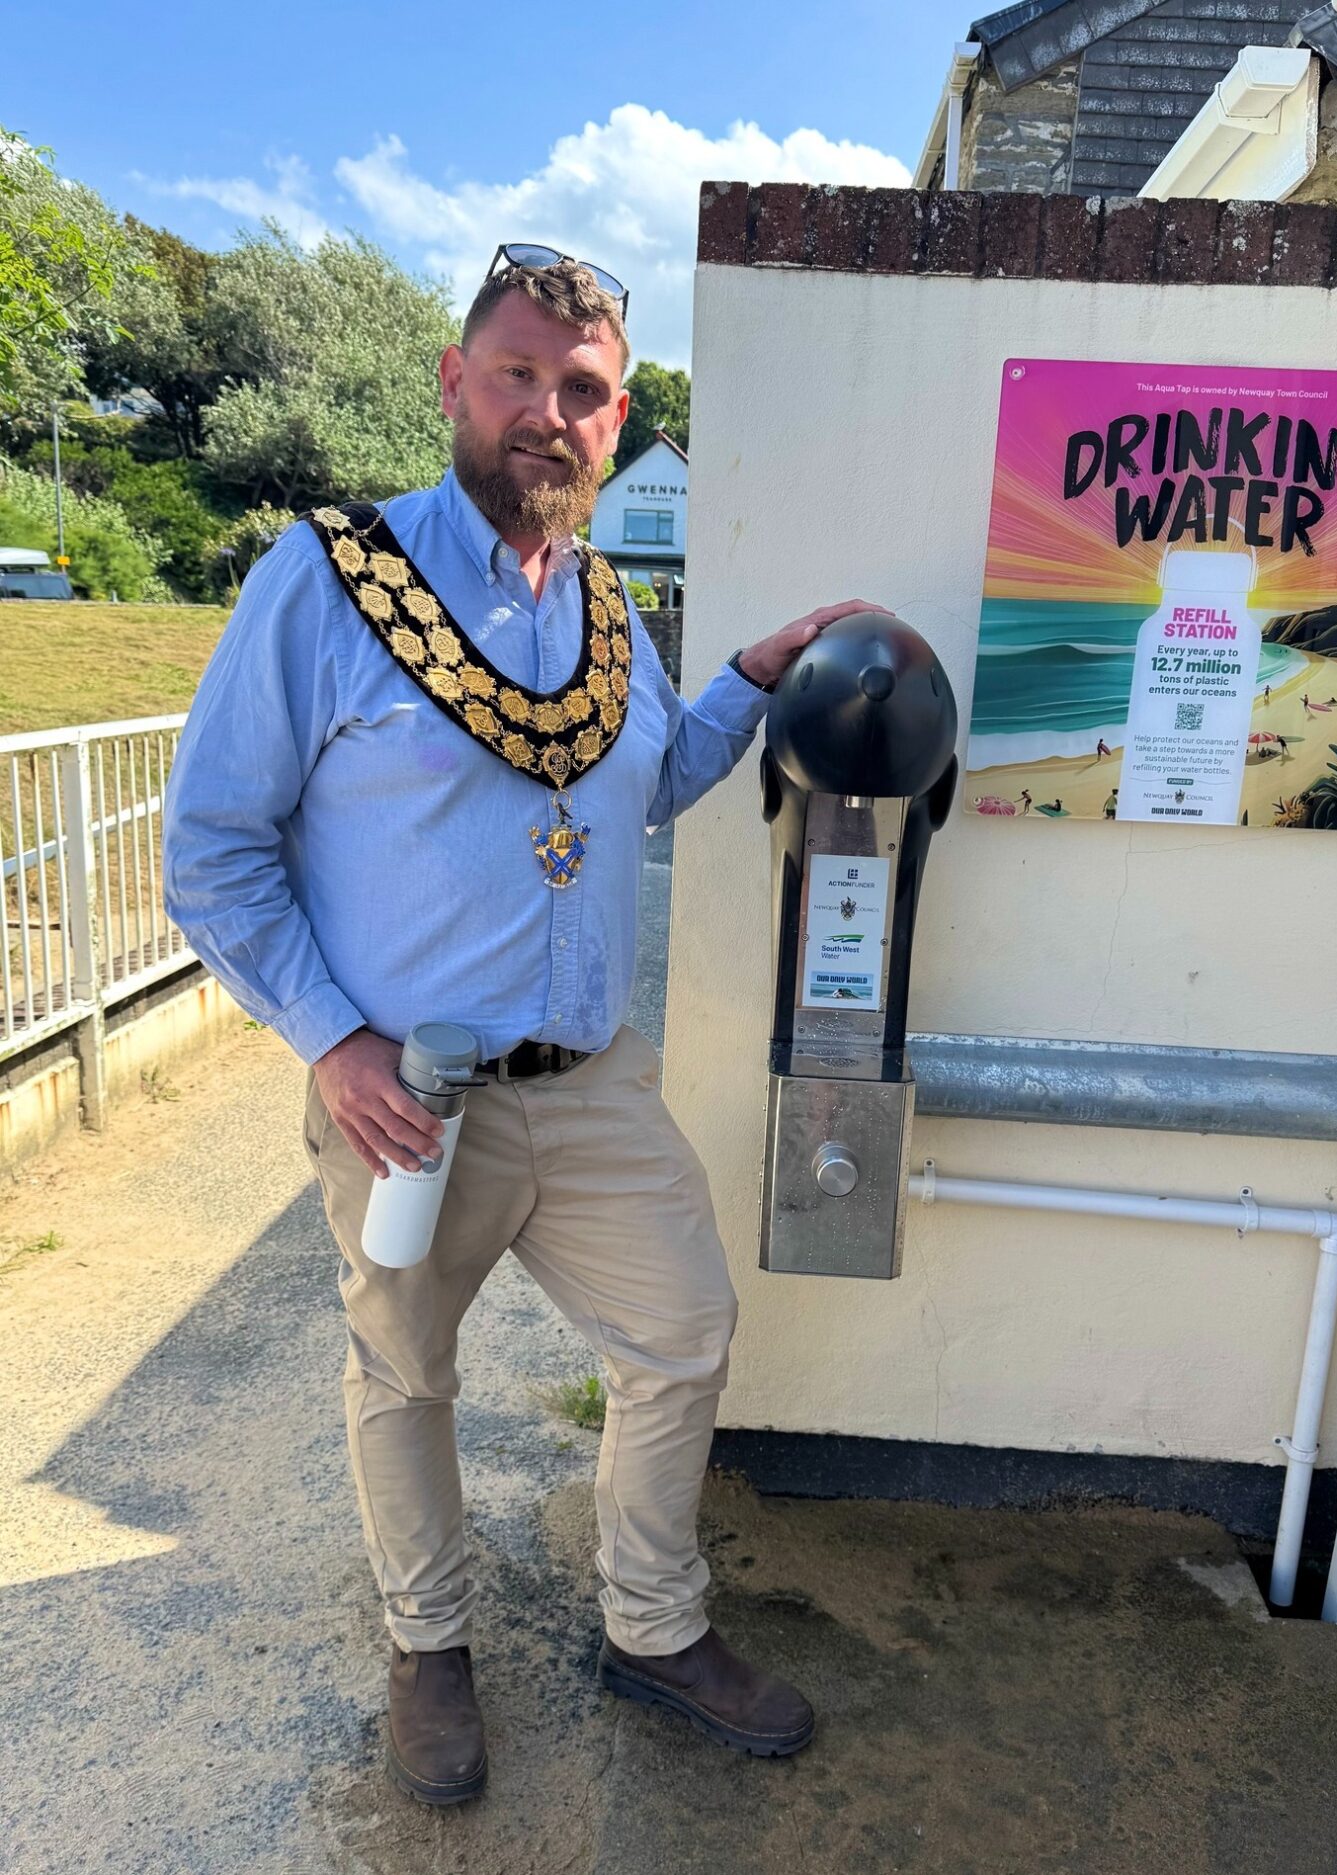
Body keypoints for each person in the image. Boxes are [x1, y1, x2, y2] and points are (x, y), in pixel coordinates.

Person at [163, 250, 886, 1805]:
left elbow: (642, 788)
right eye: (518, 378)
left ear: (618, 421)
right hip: (407, 1094)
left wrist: (752, 683)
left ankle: (652, 1624)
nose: (546, 416)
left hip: (593, 1081)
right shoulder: (333, 576)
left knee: (682, 1335)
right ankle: (429, 1649)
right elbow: (211, 845)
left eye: (583, 392)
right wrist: (331, 1042)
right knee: (405, 1372)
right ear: (453, 381)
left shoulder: (615, 609)